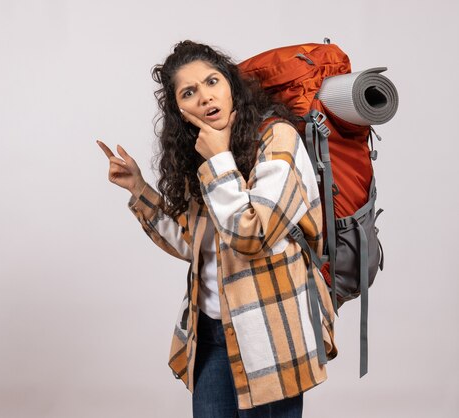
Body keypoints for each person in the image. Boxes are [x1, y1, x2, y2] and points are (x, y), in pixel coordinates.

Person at [97, 40, 337, 418]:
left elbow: (252, 235)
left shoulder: (277, 140)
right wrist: (138, 188)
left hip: (270, 334)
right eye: (189, 92)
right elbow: (191, 243)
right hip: (211, 332)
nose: (205, 98)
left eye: (212, 82)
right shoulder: (200, 151)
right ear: (179, 108)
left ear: (230, 85)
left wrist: (221, 159)